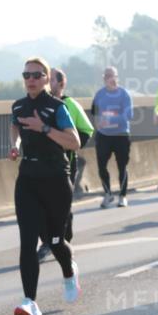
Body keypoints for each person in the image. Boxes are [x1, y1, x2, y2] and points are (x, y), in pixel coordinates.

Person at [8, 57, 81, 315]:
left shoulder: (57, 107)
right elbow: (15, 125)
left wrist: (44, 128)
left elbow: (74, 142)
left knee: (55, 240)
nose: (31, 80)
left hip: (55, 178)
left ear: (47, 78)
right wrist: (15, 145)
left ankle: (69, 272)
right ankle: (30, 302)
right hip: (28, 178)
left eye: (36, 75)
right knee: (28, 242)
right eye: (26, 75)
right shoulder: (18, 105)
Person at [48, 67, 94, 246]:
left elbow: (87, 130)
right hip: (43, 162)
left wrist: (69, 145)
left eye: (52, 79)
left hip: (66, 163)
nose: (48, 82)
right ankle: (50, 240)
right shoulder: (40, 103)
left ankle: (64, 240)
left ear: (61, 83)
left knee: (62, 203)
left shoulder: (71, 104)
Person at [90, 66, 133, 207]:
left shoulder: (124, 94)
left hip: (121, 135)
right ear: (104, 79)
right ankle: (108, 194)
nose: (110, 78)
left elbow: (129, 115)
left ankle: (122, 196)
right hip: (104, 136)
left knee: (122, 166)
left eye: (112, 75)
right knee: (101, 166)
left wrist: (109, 120)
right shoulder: (99, 95)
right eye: (107, 76)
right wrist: (98, 123)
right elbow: (95, 113)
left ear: (117, 77)